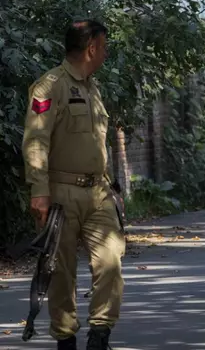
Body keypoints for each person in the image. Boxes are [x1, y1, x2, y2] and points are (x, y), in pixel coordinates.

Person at [22, 20, 125, 350]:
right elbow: (36, 139)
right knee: (61, 272)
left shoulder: (93, 87)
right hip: (61, 194)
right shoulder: (50, 86)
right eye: (104, 47)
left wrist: (111, 189)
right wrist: (39, 190)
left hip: (98, 192)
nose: (106, 53)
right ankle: (65, 339)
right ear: (91, 47)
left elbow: (96, 145)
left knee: (110, 261)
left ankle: (99, 336)